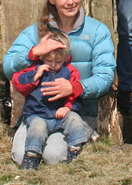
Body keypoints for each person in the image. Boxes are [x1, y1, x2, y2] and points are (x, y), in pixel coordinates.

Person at [3, 0, 115, 165]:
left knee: (53, 156)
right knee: (22, 156)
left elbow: (105, 76)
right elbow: (8, 67)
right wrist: (34, 52)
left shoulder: (97, 31)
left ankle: (80, 135)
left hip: (74, 112)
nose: (70, 1)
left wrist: (75, 88)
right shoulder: (37, 31)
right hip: (38, 111)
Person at [12, 31, 90, 170]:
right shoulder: (34, 68)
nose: (53, 65)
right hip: (38, 114)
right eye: (49, 61)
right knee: (37, 128)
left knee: (74, 119)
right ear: (42, 57)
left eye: (58, 62)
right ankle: (32, 155)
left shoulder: (70, 72)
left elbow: (75, 95)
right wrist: (34, 76)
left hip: (59, 115)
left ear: (65, 58)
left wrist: (67, 107)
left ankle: (75, 148)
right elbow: (17, 82)